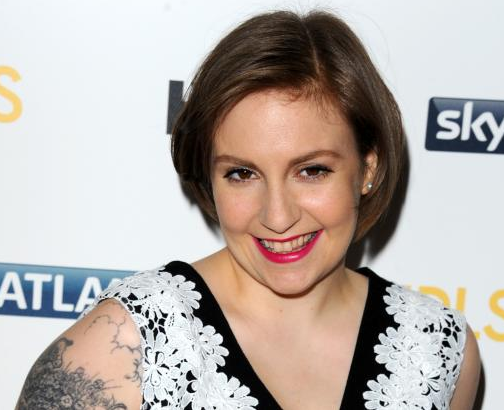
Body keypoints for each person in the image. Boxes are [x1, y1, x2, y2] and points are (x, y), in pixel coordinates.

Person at [16, 10, 480, 410]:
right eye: (242, 173)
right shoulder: (119, 349)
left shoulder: (438, 349)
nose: (277, 216)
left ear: (367, 168)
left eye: (312, 170)